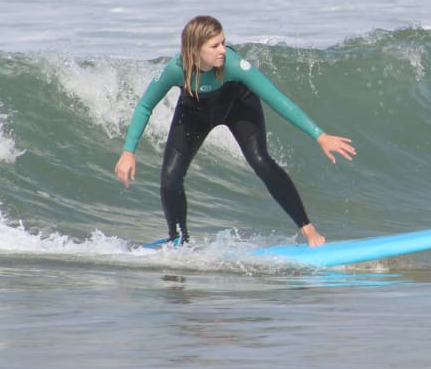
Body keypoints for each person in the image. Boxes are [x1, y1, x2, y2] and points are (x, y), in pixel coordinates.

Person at [114, 15, 355, 247]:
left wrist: (319, 135)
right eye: (215, 45)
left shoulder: (234, 65)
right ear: (195, 49)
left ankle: (308, 228)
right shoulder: (176, 69)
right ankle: (178, 239)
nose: (223, 50)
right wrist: (128, 151)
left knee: (261, 161)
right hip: (195, 110)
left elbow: (277, 100)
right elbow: (145, 105)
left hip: (238, 105)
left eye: (223, 43)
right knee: (170, 176)